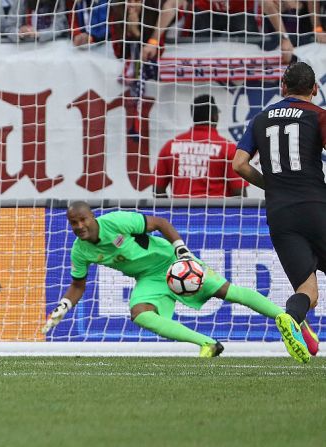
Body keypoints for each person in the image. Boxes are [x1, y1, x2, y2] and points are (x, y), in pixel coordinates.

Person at [42, 201, 286, 357]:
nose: (79, 226)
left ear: (92, 217)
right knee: (140, 313)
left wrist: (181, 249)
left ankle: (287, 319)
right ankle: (208, 344)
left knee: (226, 292)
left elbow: (160, 223)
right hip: (148, 277)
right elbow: (77, 285)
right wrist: (64, 305)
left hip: (173, 263)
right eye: (73, 223)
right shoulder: (80, 250)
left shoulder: (115, 221)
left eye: (82, 219)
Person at [233, 62, 324, 364]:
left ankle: (292, 317)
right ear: (314, 89)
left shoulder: (261, 118)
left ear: (282, 88)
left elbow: (240, 164)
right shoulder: (318, 115)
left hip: (280, 214)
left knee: (307, 289)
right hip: (316, 207)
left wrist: (270, 184)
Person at [154, 95, 246, 198]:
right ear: (214, 116)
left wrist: (171, 213)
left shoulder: (171, 147)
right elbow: (240, 193)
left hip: (180, 213)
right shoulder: (227, 148)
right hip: (216, 213)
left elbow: (157, 189)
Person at [0, 0, 68, 43]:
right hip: (24, 49)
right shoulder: (21, 2)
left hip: (52, 47)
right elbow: (9, 27)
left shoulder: (59, 2)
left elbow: (59, 26)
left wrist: (39, 34)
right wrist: (19, 33)